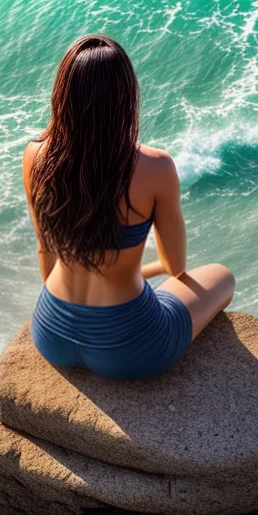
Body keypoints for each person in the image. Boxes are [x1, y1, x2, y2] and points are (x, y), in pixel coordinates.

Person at [24, 34, 235, 379]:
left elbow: (46, 252)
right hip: (128, 348)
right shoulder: (155, 167)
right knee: (222, 277)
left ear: (63, 94)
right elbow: (175, 265)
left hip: (51, 332)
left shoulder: (36, 156)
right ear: (125, 97)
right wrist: (131, 275)